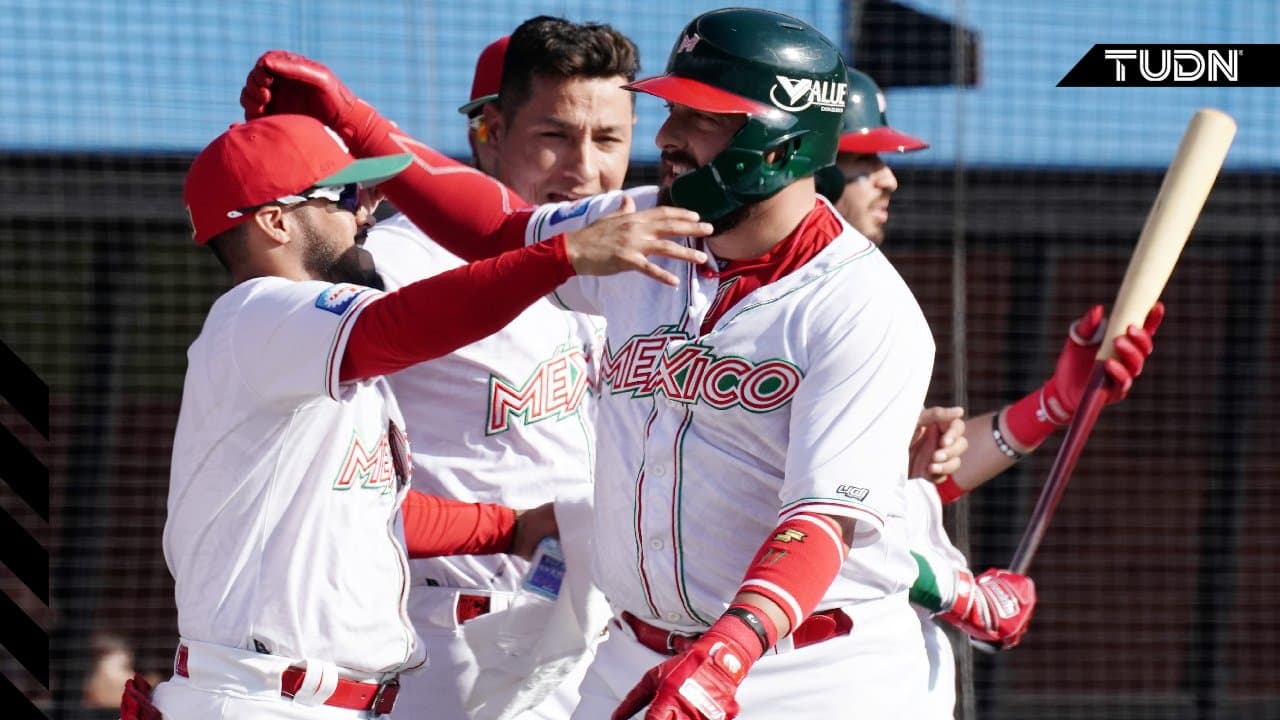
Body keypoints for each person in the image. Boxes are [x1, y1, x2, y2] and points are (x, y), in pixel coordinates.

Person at [241, 7, 942, 718]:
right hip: (629, 649)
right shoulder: (649, 222)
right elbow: (498, 232)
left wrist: (725, 656)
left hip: (811, 669)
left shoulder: (860, 305)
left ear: (776, 142)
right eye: (673, 111)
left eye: (702, 118)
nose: (667, 137)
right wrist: (356, 122)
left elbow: (819, 523)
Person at [147, 113, 708, 720]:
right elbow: (402, 324)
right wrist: (563, 255)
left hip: (316, 697)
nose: (366, 214)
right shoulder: (255, 314)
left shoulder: (303, 361)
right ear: (274, 220)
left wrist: (507, 528)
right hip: (261, 698)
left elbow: (368, 511)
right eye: (345, 197)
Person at [820, 69, 1162, 718]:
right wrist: (957, 591)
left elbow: (898, 490)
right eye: (864, 160)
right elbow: (798, 512)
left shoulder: (862, 289)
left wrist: (1053, 405)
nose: (889, 178)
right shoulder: (746, 299)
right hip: (787, 665)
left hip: (877, 668)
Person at [363, 16, 640, 720]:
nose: (585, 168)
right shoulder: (396, 263)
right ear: (488, 129)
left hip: (599, 637)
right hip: (452, 637)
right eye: (555, 136)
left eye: (608, 139)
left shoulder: (636, 270)